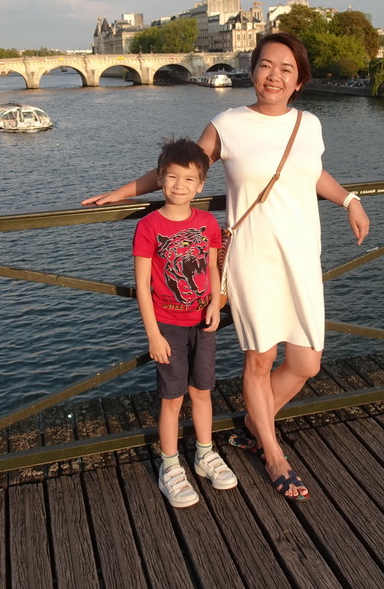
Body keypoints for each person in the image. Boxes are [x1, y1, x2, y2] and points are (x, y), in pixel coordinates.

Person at [85, 32, 369, 501]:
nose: (273, 76)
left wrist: (350, 200)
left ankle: (257, 428)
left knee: (306, 363)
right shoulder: (229, 123)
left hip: (301, 256)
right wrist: (125, 191)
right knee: (259, 360)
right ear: (252, 69)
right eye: (265, 65)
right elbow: (183, 169)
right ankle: (274, 455)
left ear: (298, 82)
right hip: (253, 260)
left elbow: (313, 173)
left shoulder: (309, 124)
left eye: (286, 69)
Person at [132, 137, 237, 508]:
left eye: (188, 179)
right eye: (172, 177)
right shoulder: (149, 226)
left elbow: (211, 266)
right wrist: (153, 335)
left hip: (202, 322)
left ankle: (205, 453)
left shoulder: (207, 222)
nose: (179, 186)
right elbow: (142, 285)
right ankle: (170, 464)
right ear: (160, 179)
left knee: (203, 390)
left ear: (201, 185)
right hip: (168, 326)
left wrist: (214, 303)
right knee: (172, 398)